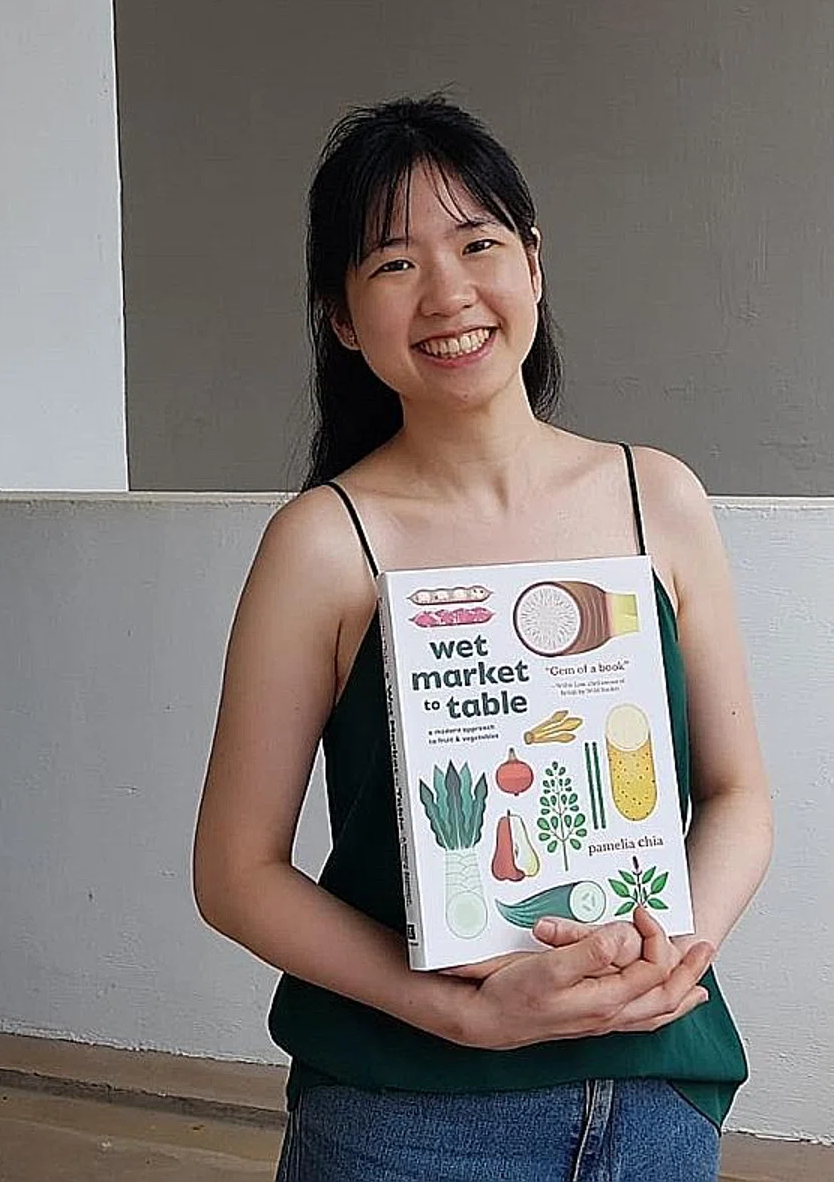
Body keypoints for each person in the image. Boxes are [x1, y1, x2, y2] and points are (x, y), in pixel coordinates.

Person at [193, 96, 772, 1182]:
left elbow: (739, 797)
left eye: (477, 243)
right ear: (341, 318)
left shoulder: (660, 499)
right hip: (406, 1117)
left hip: (649, 1099)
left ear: (534, 264)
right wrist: (456, 1015)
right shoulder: (325, 546)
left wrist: (671, 961)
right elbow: (234, 872)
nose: (449, 293)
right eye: (393, 264)